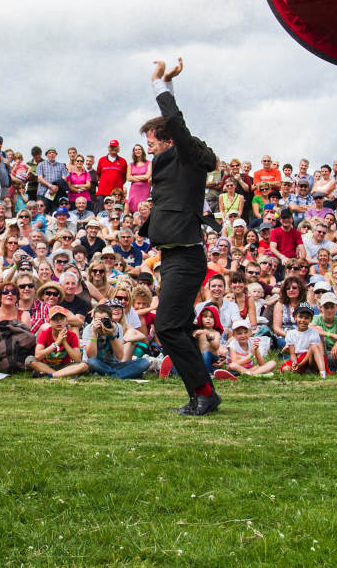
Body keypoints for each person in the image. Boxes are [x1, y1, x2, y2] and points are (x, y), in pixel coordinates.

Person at [138, 57, 221, 415]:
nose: (148, 147)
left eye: (152, 140)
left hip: (186, 258)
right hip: (171, 258)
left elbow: (175, 123)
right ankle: (200, 394)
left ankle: (205, 392)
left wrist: (161, 84)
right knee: (174, 328)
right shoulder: (165, 161)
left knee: (168, 327)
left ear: (169, 139)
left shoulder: (185, 155)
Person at [83, 302, 151, 379]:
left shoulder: (117, 327)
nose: (102, 323)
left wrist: (112, 335)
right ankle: (125, 374)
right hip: (97, 364)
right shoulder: (89, 329)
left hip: (113, 364)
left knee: (144, 362)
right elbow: (91, 357)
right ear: (93, 319)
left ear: (111, 319)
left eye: (104, 320)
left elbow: (120, 356)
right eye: (98, 320)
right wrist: (94, 333)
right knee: (92, 362)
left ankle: (112, 375)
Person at [26, 306, 88, 378]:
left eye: (61, 319)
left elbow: (77, 359)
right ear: (49, 321)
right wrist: (56, 343)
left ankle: (51, 375)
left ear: (66, 321)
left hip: (64, 365)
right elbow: (38, 356)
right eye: (55, 319)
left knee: (84, 365)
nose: (59, 322)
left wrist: (64, 342)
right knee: (29, 360)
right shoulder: (45, 333)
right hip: (46, 365)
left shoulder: (72, 335)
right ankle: (60, 374)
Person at [280, 304, 327, 377]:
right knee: (285, 369)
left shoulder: (313, 333)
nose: (303, 320)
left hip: (310, 359)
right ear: (295, 317)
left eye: (306, 318)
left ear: (310, 320)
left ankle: (322, 373)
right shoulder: (291, 333)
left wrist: (301, 365)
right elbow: (292, 354)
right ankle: (302, 370)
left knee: (314, 346)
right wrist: (295, 362)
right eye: (300, 317)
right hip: (299, 358)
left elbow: (311, 351)